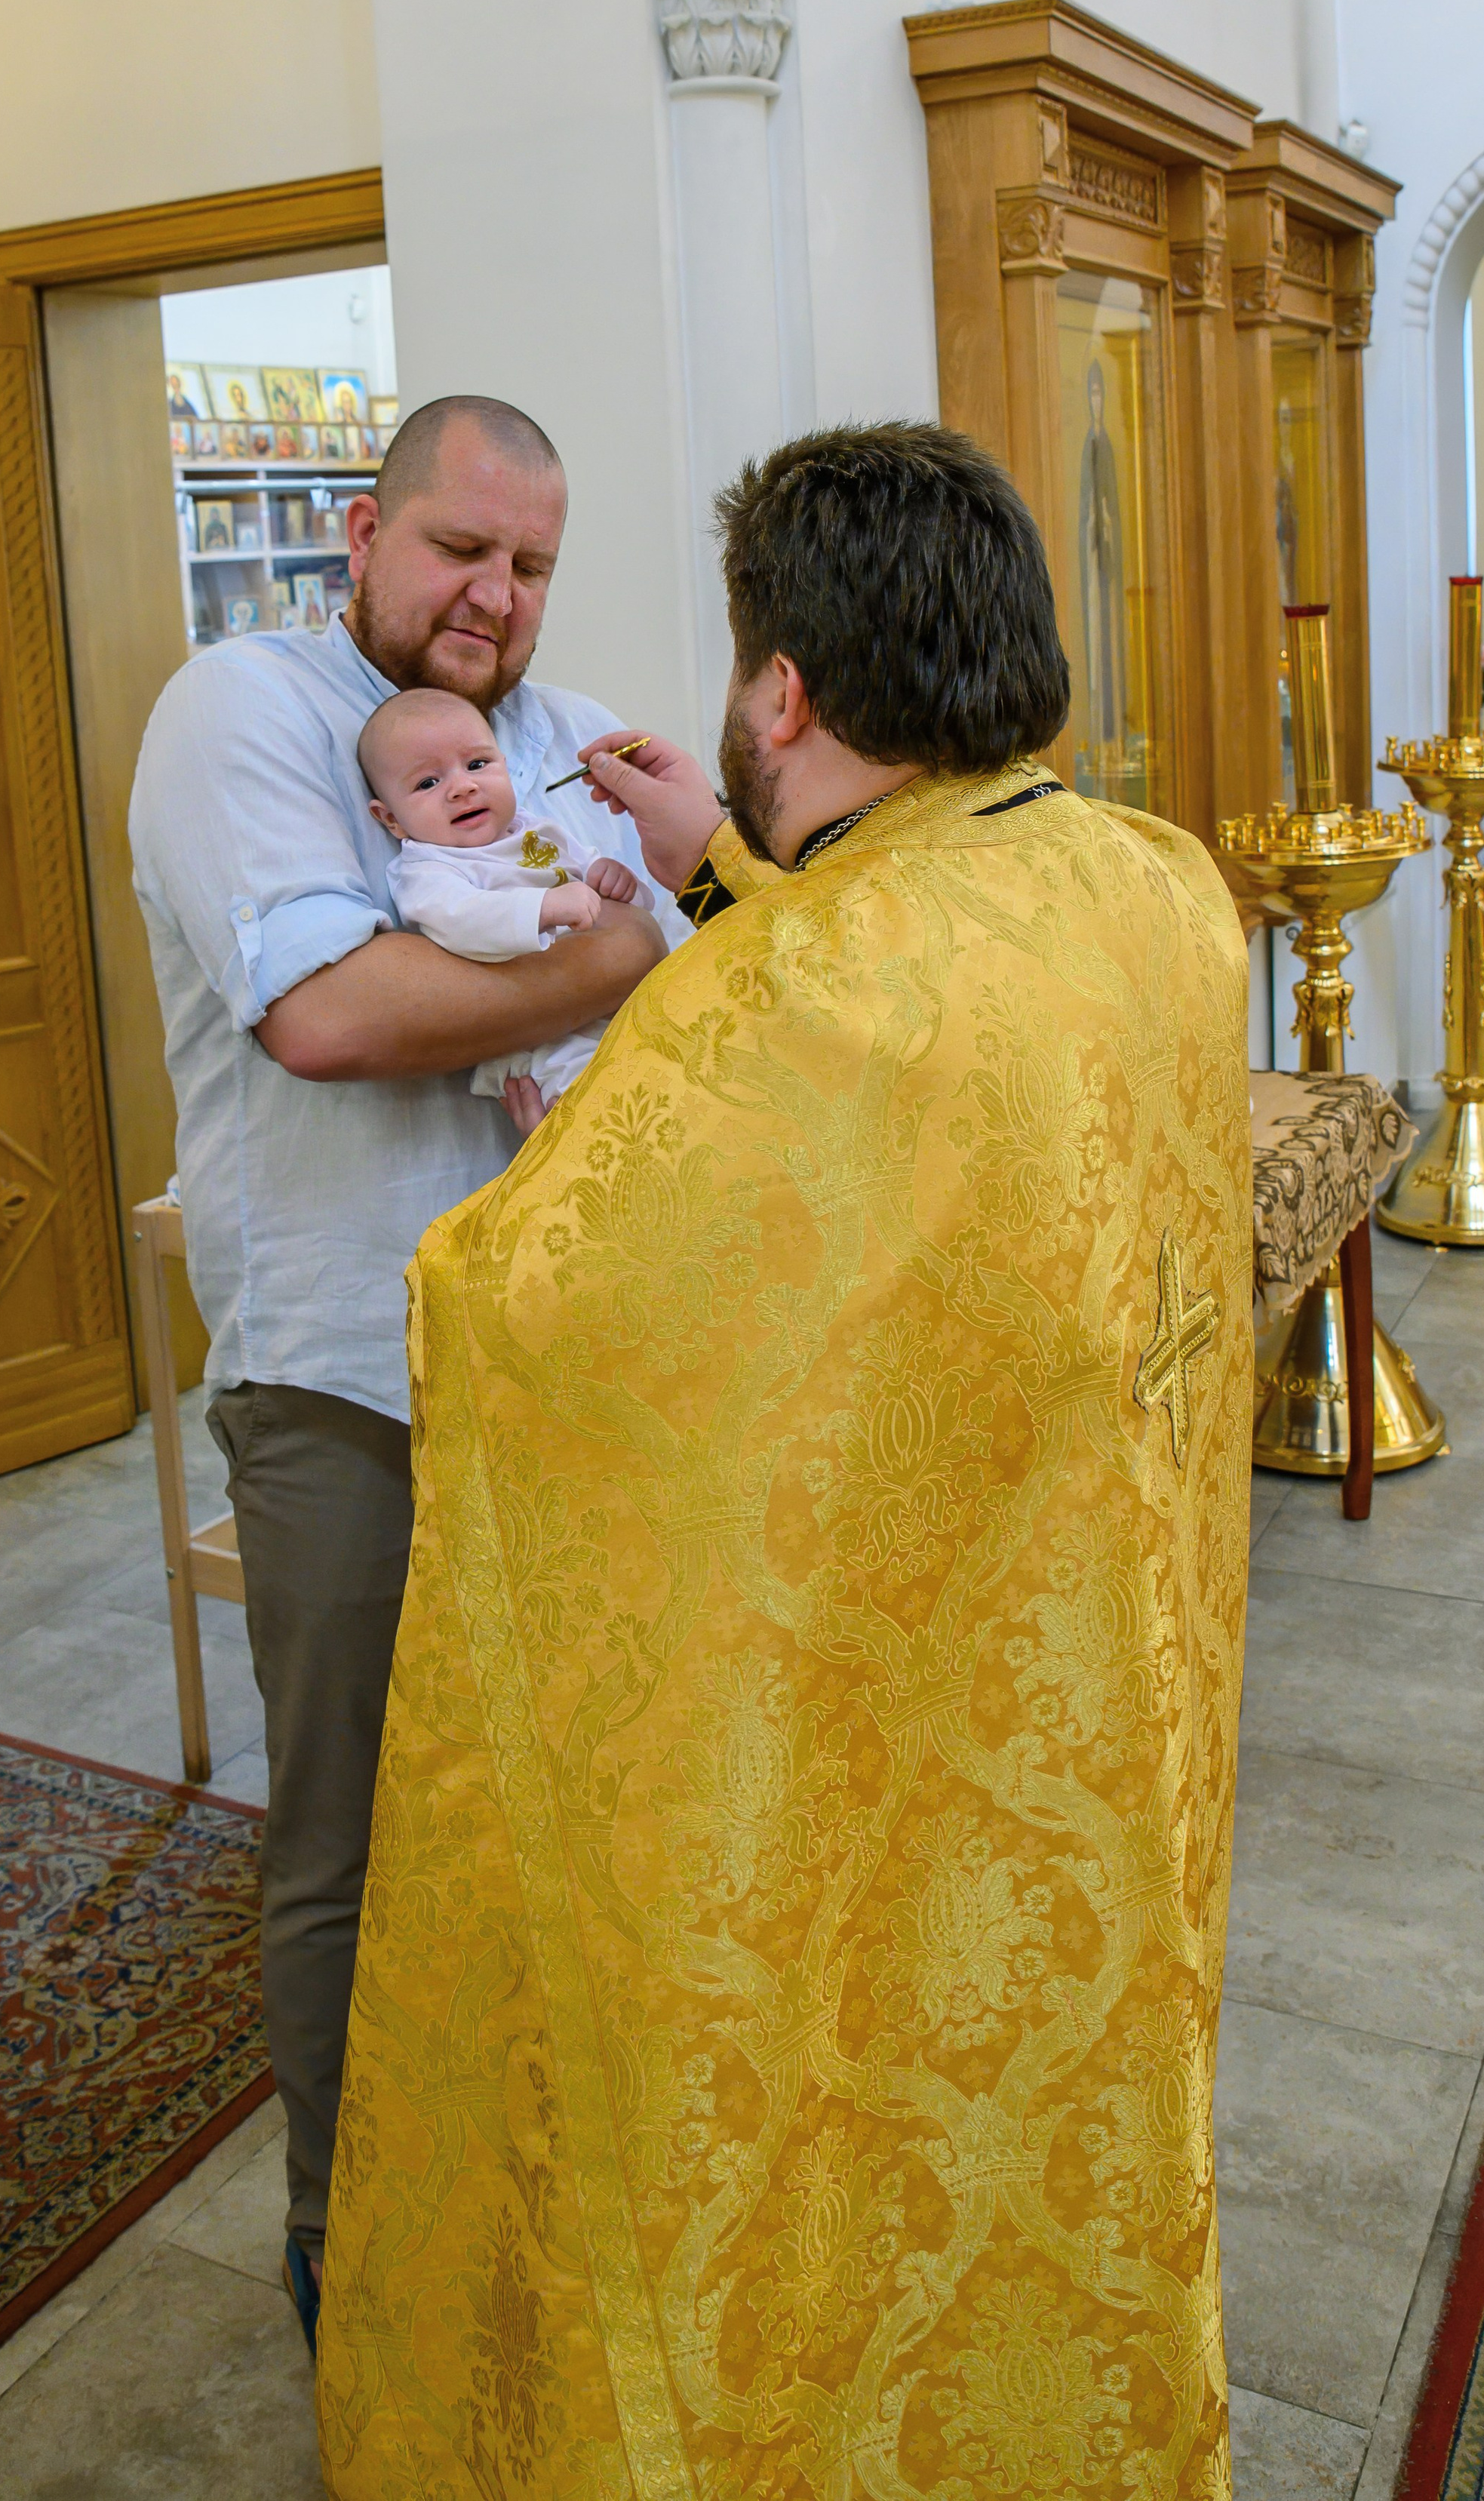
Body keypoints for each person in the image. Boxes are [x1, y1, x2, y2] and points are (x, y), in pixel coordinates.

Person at [317, 422, 1253, 2501]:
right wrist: (727, 880)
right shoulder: (1147, 882)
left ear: (781, 694)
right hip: (1102, 1657)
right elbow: (919, 981)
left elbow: (519, 1303)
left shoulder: (780, 1010)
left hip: (894, 1693)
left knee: (855, 2075)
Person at [128, 395, 669, 2354]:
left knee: (550, 1826)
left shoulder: (557, 726)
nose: (494, 598)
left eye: (528, 564)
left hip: (561, 1375)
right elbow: (339, 1017)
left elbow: (716, 958)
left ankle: (518, 2181)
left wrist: (626, 951)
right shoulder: (243, 714)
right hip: (346, 1380)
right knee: (351, 1851)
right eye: (458, 549)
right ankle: (357, 2255)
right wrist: (612, 957)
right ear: (361, 529)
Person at [357, 685, 649, 1106]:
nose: (462, 788)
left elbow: (606, 894)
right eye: (427, 782)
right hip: (537, 1039)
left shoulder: (535, 829)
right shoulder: (428, 868)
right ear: (390, 819)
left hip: (606, 1004)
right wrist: (543, 909)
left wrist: (617, 882)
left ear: (506, 768)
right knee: (600, 1104)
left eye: (478, 764)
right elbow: (462, 921)